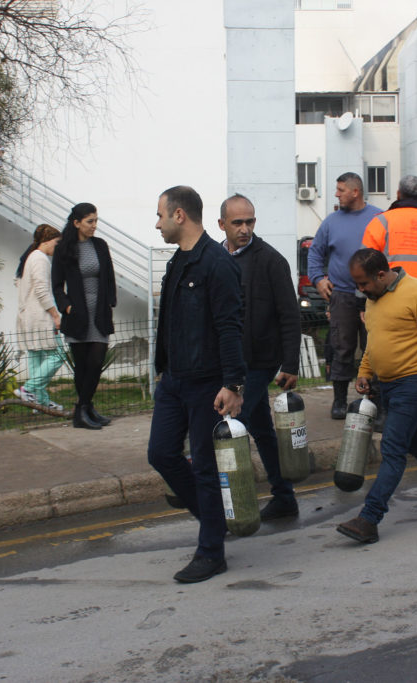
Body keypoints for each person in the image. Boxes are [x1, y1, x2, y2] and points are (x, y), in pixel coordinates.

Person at [147, 185, 246, 584]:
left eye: (160, 215)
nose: (157, 223)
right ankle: (214, 519)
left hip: (207, 384)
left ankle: (211, 552)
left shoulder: (216, 263)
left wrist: (232, 384)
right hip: (173, 381)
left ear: (180, 215)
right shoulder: (178, 262)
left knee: (205, 468)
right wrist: (161, 368)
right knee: (161, 454)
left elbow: (230, 326)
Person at [335, 248, 417, 544]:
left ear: (381, 274)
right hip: (389, 384)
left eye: (363, 283)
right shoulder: (375, 297)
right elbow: (376, 339)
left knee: (393, 448)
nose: (360, 290)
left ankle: (369, 518)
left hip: (416, 382)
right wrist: (365, 370)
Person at [217, 194, 302, 521]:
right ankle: (284, 496)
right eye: (237, 222)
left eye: (249, 221)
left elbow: (290, 316)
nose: (245, 229)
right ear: (222, 224)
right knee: (260, 428)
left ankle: (232, 507)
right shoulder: (215, 258)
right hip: (226, 361)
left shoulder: (270, 260)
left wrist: (290, 365)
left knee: (230, 426)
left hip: (258, 362)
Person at [307, 172, 382, 419]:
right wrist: (318, 279)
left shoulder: (379, 218)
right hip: (342, 295)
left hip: (375, 297)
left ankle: (375, 399)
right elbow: (315, 253)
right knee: (341, 347)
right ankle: (339, 401)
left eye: (340, 190)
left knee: (377, 348)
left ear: (355, 192)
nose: (337, 194)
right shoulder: (330, 222)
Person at [51, 203, 117, 430]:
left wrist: (111, 303)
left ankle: (83, 407)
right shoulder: (63, 249)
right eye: (90, 221)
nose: (94, 226)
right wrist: (66, 307)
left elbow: (109, 277)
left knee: (96, 362)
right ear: (76, 223)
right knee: (82, 366)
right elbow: (57, 285)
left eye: (96, 221)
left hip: (99, 313)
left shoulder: (100, 245)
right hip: (77, 315)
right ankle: (84, 410)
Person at [15, 224, 65, 411]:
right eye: (57, 242)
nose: (58, 247)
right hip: (40, 317)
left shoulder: (30, 257)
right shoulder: (40, 259)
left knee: (36, 357)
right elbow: (42, 291)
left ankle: (40, 403)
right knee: (57, 355)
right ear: (47, 241)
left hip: (28, 316)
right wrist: (55, 314)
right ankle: (28, 389)